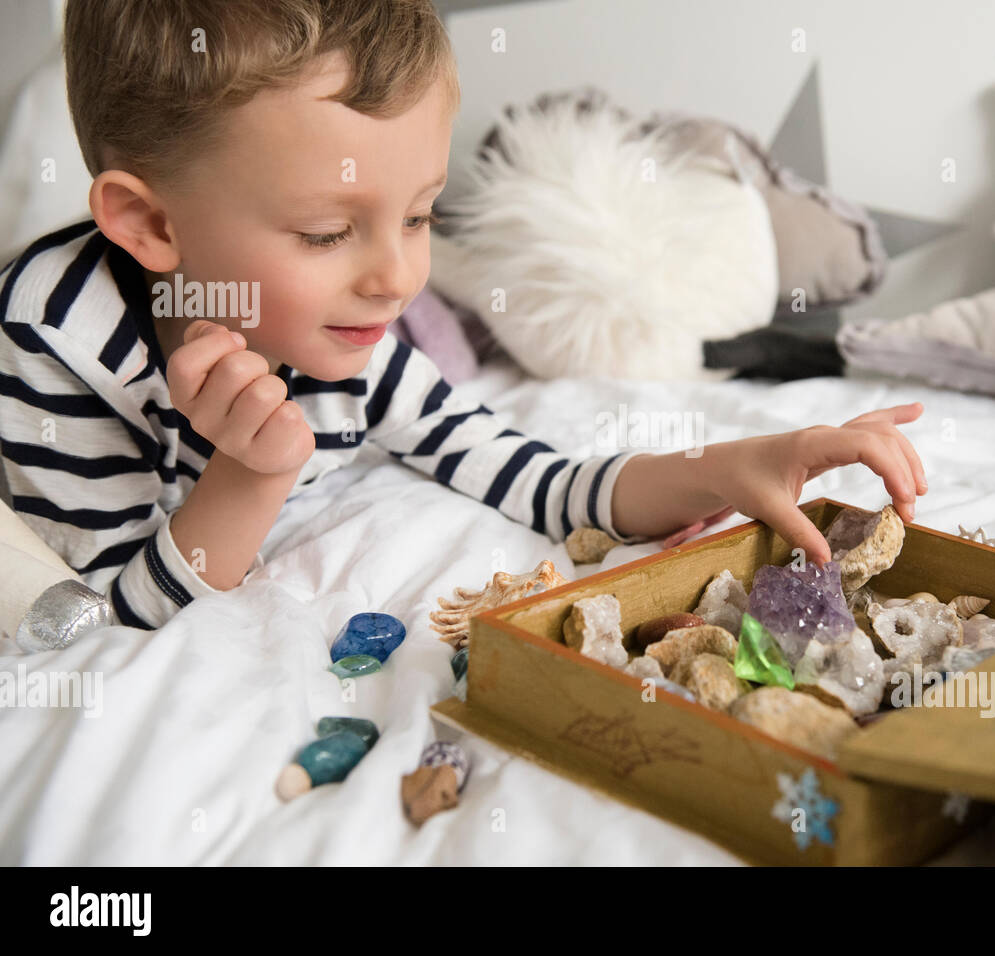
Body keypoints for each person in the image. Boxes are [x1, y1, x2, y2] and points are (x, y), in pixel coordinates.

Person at [0, 0, 926, 629]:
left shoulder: (350, 339)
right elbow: (94, 620)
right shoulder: (60, 342)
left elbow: (541, 482)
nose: (397, 276)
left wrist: (733, 464)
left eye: (419, 214)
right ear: (153, 223)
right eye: (327, 232)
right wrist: (250, 477)